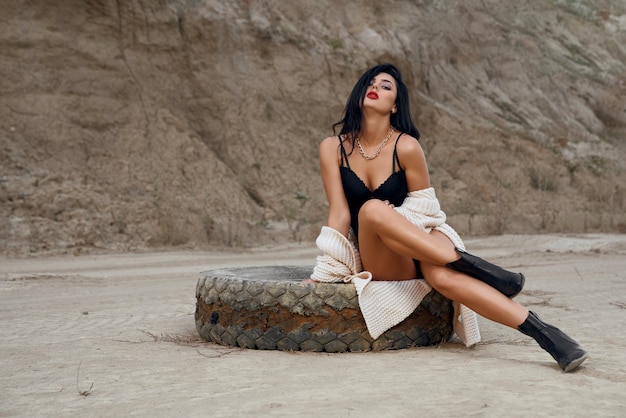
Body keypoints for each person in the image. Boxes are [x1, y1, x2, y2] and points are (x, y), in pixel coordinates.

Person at [311, 63, 588, 372]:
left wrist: (397, 216)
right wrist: (327, 269)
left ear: (396, 105)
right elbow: (339, 213)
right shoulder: (333, 148)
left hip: (420, 235)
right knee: (372, 210)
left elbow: (426, 208)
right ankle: (481, 269)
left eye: (386, 86)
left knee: (442, 277)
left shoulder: (406, 146)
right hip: (384, 255)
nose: (375, 87)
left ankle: (549, 336)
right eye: (370, 82)